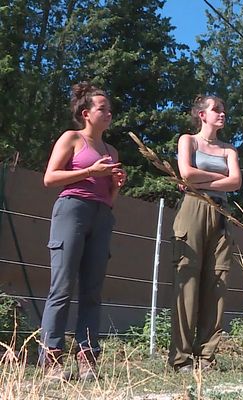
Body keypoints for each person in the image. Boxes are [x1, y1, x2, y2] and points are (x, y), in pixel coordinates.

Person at [40, 81, 126, 380]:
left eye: (110, 109)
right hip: (71, 210)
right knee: (61, 287)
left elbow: (109, 200)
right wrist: (91, 171)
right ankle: (52, 359)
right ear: (87, 113)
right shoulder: (72, 138)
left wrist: (114, 186)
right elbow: (50, 178)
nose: (109, 113)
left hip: (102, 215)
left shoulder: (111, 149)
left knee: (92, 290)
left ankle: (88, 358)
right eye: (103, 109)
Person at [168, 95, 241, 373]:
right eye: (216, 110)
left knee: (218, 282)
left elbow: (235, 182)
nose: (222, 114)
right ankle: (181, 358)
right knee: (187, 282)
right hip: (193, 209)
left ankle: (206, 356)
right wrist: (216, 181)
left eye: (223, 110)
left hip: (221, 213)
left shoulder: (228, 150)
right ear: (202, 115)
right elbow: (185, 174)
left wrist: (203, 180)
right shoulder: (188, 141)